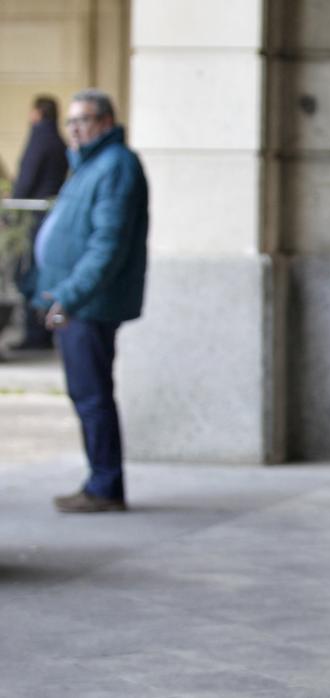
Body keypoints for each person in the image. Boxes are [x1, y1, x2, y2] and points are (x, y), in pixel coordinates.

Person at [34, 89, 148, 513]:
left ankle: (105, 486)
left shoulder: (115, 165)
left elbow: (107, 246)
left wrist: (68, 295)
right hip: (76, 302)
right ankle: (99, 481)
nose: (75, 129)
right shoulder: (90, 163)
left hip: (88, 304)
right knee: (87, 394)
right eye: (71, 122)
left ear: (105, 122)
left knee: (93, 395)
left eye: (83, 121)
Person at [10, 95, 70, 350]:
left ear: (38, 113)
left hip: (33, 216)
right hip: (48, 214)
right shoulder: (58, 140)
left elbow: (27, 176)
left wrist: (12, 206)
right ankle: (42, 330)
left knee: (27, 274)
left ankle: (36, 333)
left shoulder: (40, 137)